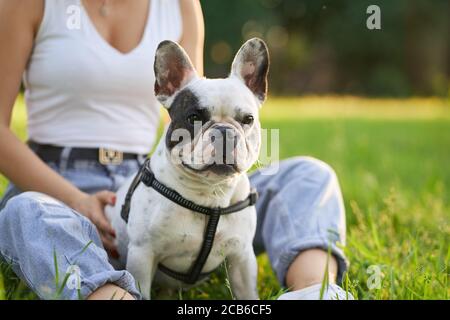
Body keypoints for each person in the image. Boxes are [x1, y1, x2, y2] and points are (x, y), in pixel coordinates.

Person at [0, 0, 351, 300]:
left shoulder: (179, 4)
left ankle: (311, 290)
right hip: (59, 181)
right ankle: (113, 295)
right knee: (26, 212)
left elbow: (196, 107)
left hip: (164, 179)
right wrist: (76, 200)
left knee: (309, 176)